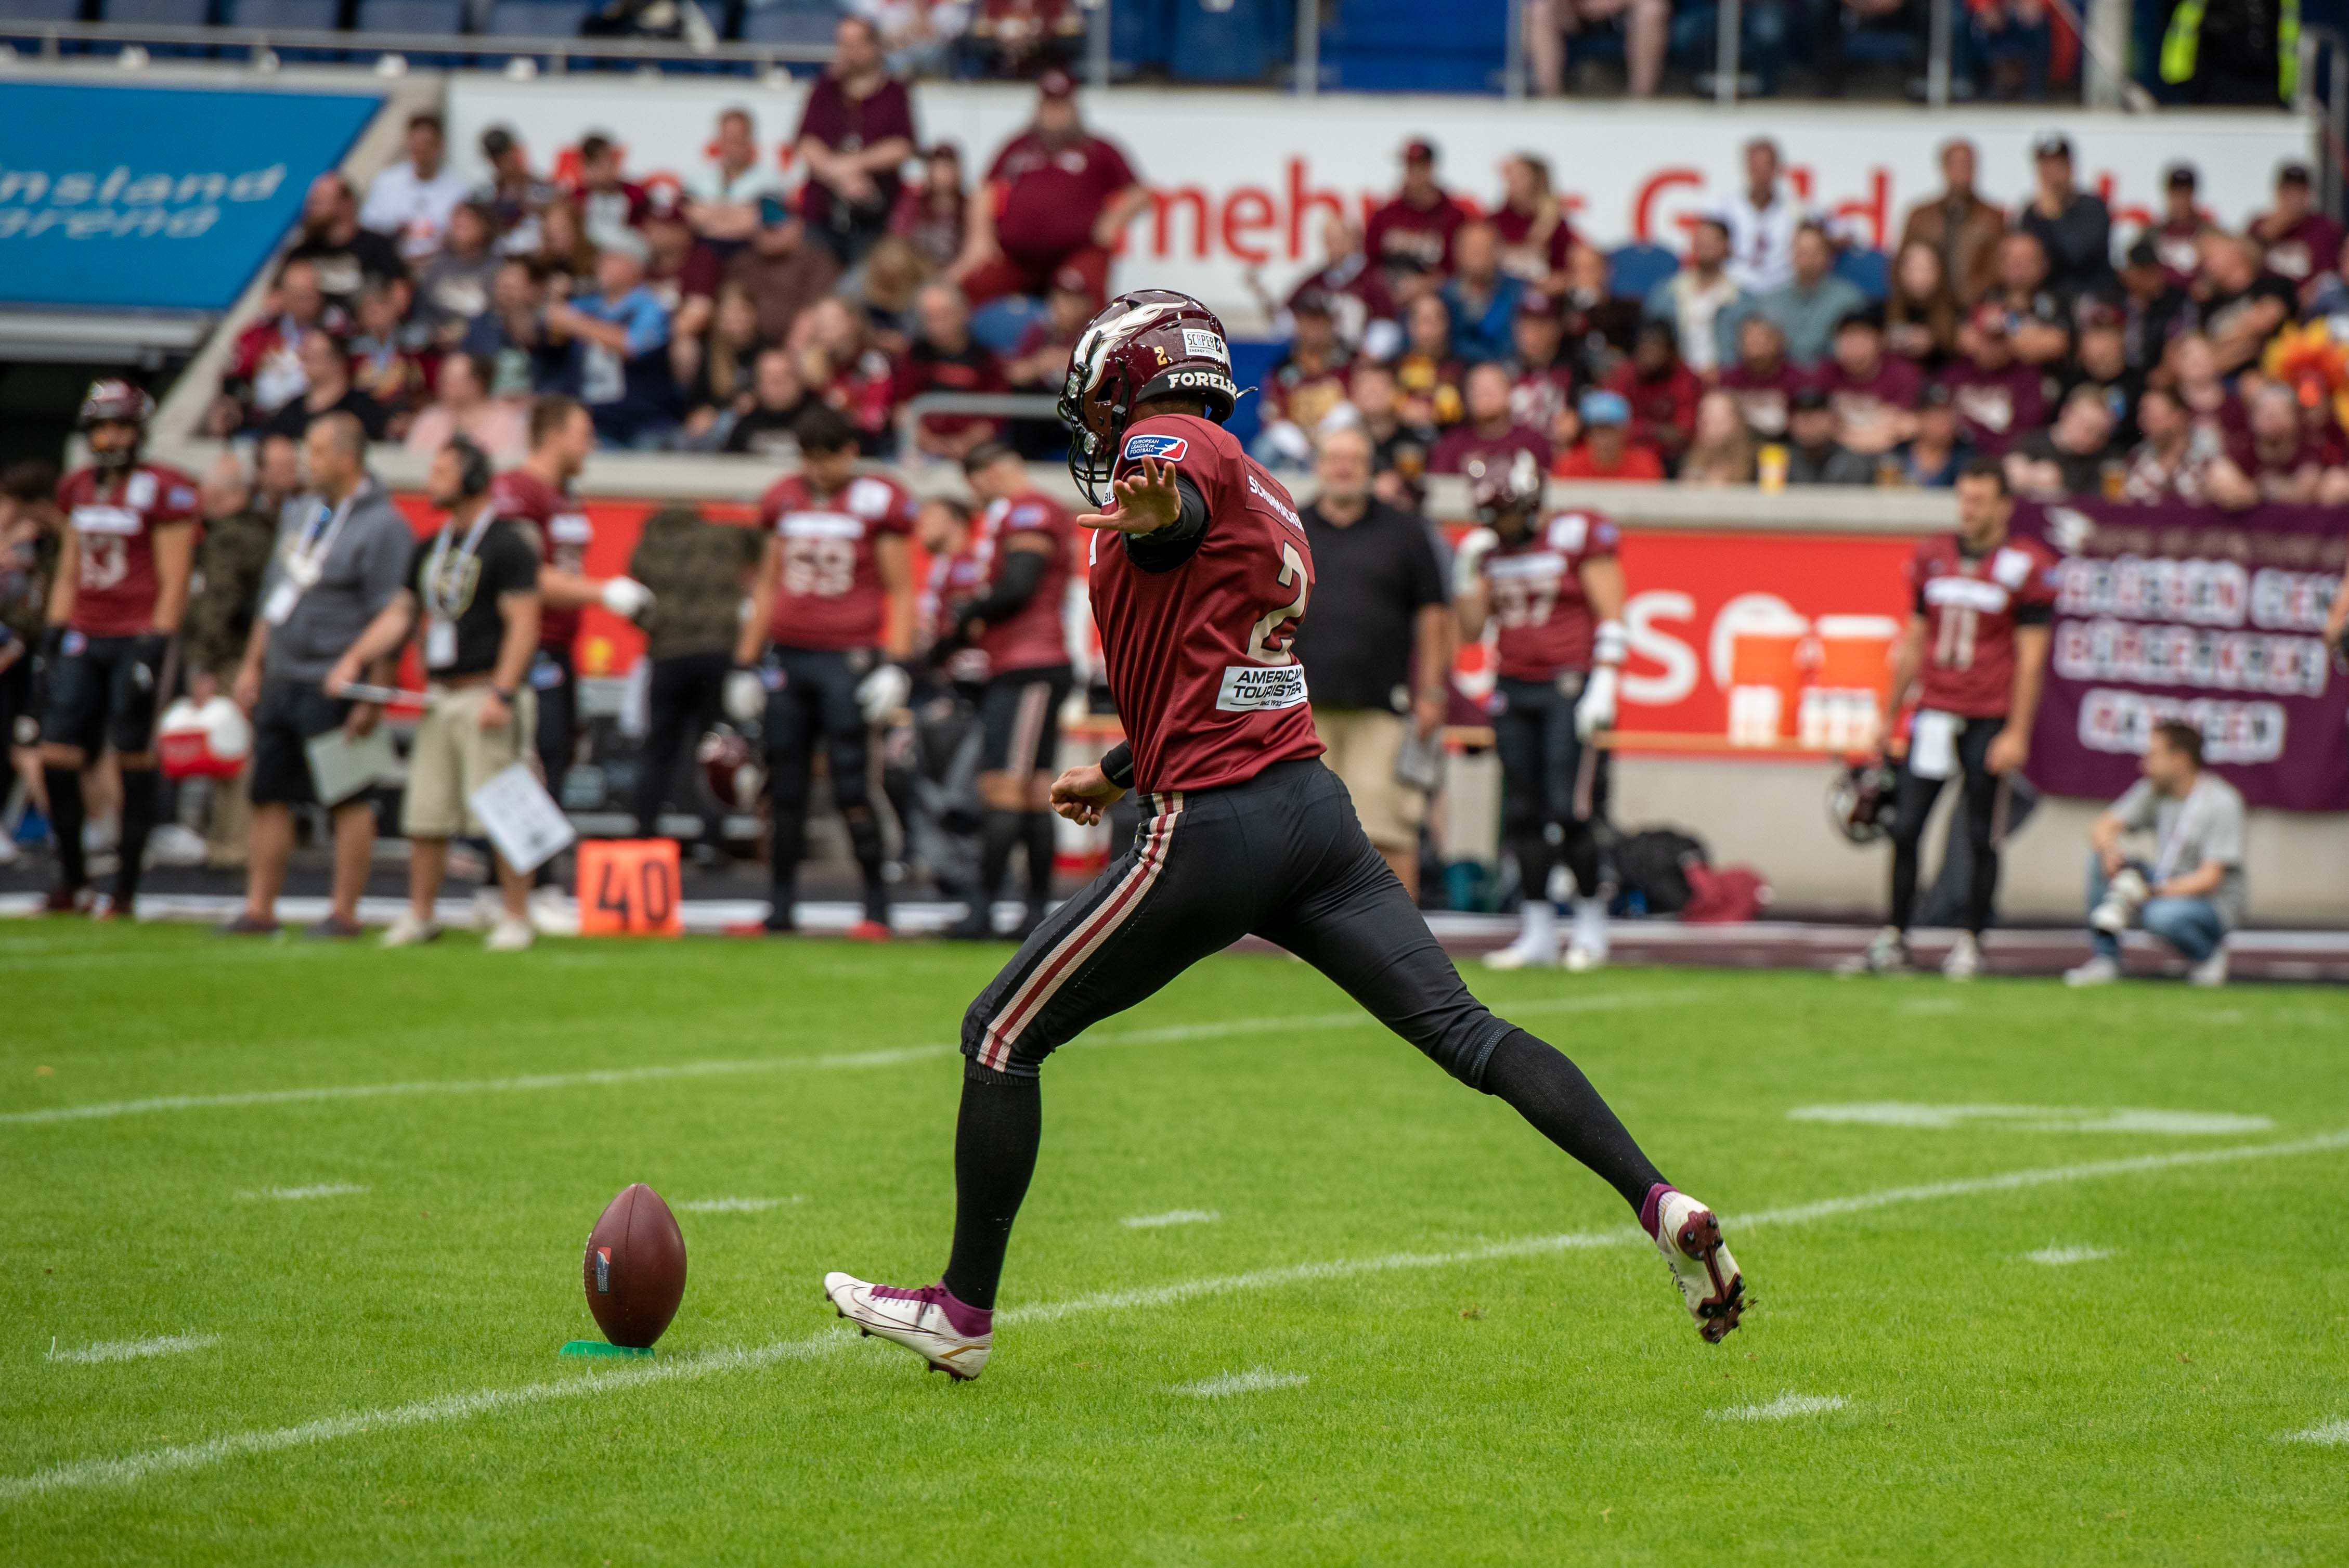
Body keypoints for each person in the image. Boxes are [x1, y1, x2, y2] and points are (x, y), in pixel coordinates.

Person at [821, 288, 1745, 1380]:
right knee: (1467, 1031)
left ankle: (960, 1315)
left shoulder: (1173, 451)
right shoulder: (1271, 490)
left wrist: (1152, 499)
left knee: (998, 1033)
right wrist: (1116, 769)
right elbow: (1223, 664)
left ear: (1130, 382)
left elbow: (1169, 496)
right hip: (1310, 817)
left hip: (1214, 831)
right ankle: (1657, 1198)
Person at [326, 439, 543, 953]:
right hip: (440, 695)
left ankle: (516, 914)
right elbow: (402, 613)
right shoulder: (431, 547)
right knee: (426, 813)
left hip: (486, 689)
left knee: (503, 809)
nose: (432, 478)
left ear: (472, 478)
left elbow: (523, 625)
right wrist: (354, 658)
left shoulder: (508, 543)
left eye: (444, 470)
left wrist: (505, 693)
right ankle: (421, 913)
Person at [1857, 460, 2055, 981]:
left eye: (1979, 500)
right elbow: (1914, 638)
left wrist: (2016, 731)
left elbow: (2031, 659)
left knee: (1977, 834)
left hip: (1986, 716)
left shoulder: (2023, 565)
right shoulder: (1933, 557)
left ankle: (1970, 939)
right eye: (1963, 498)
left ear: (2003, 506)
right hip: (1935, 711)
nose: (1968, 510)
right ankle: (1895, 935)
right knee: (1904, 828)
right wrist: (1889, 711)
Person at [228, 412, 413, 937]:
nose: (305, 462)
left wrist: (372, 695)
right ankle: (259, 907)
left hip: (336, 678)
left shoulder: (385, 526)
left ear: (346, 458)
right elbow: (274, 596)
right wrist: (252, 664)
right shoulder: (301, 511)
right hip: (284, 675)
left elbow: (392, 614)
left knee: (348, 798)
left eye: (314, 451)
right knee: (268, 793)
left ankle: (344, 911)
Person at [736, 406, 917, 937]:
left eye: (826, 458)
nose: (816, 471)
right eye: (808, 459)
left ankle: (877, 908)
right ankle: (780, 907)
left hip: (849, 657)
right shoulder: (783, 497)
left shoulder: (876, 499)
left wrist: (897, 664)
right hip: (790, 656)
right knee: (783, 785)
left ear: (849, 452)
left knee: (851, 783)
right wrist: (744, 662)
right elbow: (767, 585)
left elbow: (900, 588)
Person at [1450, 448, 1625, 971]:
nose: (1497, 524)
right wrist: (1465, 572)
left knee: (1569, 810)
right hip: (1513, 687)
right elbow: (1469, 630)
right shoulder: (1488, 552)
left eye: (1504, 512)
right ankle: (1537, 931)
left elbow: (1613, 614)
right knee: (1522, 814)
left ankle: (1592, 925)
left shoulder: (1575, 534)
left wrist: (1604, 684)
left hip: (1568, 686)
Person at [33, 383, 197, 918]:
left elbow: (174, 577)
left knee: (132, 751)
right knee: (56, 750)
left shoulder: (164, 489)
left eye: (122, 426)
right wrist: (54, 632)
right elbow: (70, 566)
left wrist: (156, 642)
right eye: (104, 426)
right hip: (86, 628)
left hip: (137, 631)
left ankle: (124, 888)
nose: (112, 437)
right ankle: (73, 878)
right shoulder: (78, 487)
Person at [490, 396, 650, 865]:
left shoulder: (566, 493)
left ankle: (524, 880)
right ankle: (521, 882)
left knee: (556, 754)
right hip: (527, 644)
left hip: (559, 644)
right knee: (534, 759)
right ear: (554, 434)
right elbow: (522, 574)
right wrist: (603, 593)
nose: (591, 444)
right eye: (583, 434)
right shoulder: (519, 489)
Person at [1292, 426, 1450, 898]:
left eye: (1354, 460)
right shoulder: (1287, 526)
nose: (1343, 468)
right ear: (1318, 465)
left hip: (1384, 706)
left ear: (1370, 469)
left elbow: (1434, 617)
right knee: (1305, 833)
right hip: (1299, 710)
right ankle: (1313, 949)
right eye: (1334, 458)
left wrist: (1433, 692)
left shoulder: (1406, 532)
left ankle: (1400, 946)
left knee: (1388, 828)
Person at [939, 440, 1077, 941]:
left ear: (992, 472)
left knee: (1006, 788)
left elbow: (1019, 583)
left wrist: (969, 617)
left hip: (1029, 664)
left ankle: (986, 907)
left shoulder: (1030, 511)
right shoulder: (1025, 513)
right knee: (1032, 790)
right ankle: (1031, 912)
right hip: (1026, 664)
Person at [2066, 721, 2244, 987]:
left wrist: (2148, 892)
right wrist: (2109, 852)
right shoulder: (2155, 791)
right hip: (2163, 884)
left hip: (2211, 904)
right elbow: (2101, 827)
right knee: (2099, 862)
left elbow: (2210, 879)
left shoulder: (2222, 802)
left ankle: (2207, 954)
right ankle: (2106, 959)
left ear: (2180, 759)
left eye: (2153, 756)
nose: (2143, 764)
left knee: (2160, 916)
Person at [628, 506, 761, 856]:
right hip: (719, 653)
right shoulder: (725, 535)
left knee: (658, 750)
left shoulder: (652, 544)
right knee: (716, 748)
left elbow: (634, 599)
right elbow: (768, 548)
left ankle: (644, 836)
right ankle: (711, 838)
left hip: (668, 655)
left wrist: (654, 627)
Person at [953, 71, 1143, 308]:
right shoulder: (1018, 146)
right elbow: (985, 190)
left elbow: (1140, 194)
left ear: (1074, 108)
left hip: (1076, 251)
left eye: (1061, 106)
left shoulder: (1098, 150)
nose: (1055, 114)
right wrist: (980, 237)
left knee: (1078, 297)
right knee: (975, 285)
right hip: (1016, 256)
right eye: (1049, 105)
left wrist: (1114, 220)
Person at [181, 451, 279, 870]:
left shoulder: (228, 537)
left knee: (232, 752)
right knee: (237, 748)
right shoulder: (263, 530)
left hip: (233, 657)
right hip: (253, 654)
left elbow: (218, 602)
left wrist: (203, 661)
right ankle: (230, 840)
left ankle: (232, 844)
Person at [796, 19, 919, 268]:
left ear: (874, 46)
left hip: (876, 218)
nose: (848, 51)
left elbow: (902, 146)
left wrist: (854, 166)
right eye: (843, 43)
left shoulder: (895, 92)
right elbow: (807, 142)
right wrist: (839, 175)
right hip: (822, 216)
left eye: (855, 43)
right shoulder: (824, 90)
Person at [549, 231, 678, 450]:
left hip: (643, 424)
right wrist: (555, 299)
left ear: (635, 266)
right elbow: (549, 325)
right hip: (594, 421)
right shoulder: (588, 306)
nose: (600, 263)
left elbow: (633, 345)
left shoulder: (651, 306)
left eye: (611, 258)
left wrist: (577, 324)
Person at [901, 282, 1007, 463]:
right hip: (922, 451)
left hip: (976, 452)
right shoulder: (913, 357)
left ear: (963, 313)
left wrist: (963, 444)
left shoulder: (987, 360)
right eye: (928, 317)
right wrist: (930, 443)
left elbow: (995, 415)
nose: (935, 325)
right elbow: (902, 409)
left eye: (943, 315)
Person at [1896, 139, 2003, 308]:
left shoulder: (1992, 218)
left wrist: (1970, 299)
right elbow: (1901, 265)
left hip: (1974, 308)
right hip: (1926, 309)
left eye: (1967, 164)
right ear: (1944, 167)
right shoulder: (1920, 216)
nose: (1962, 170)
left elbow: (1997, 266)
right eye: (1955, 164)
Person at [360, 111, 474, 266]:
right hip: (391, 263)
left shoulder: (460, 189)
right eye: (416, 143)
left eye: (427, 144)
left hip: (440, 266)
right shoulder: (386, 181)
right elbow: (370, 226)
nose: (421, 150)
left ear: (440, 144)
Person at [285, 173, 407, 316]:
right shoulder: (301, 254)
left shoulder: (376, 244)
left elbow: (401, 291)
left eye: (320, 202)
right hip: (317, 333)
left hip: (369, 332)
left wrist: (382, 319)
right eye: (312, 202)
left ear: (346, 204)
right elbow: (276, 302)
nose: (311, 209)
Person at [1754, 223, 1868, 371]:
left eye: (1815, 252)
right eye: (1802, 252)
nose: (1808, 260)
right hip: (1783, 384)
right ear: (1791, 255)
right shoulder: (1770, 302)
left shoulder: (1851, 300)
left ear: (1828, 256)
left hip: (1836, 382)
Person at [1936, 306, 2046, 459]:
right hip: (1956, 460)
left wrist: (1972, 430)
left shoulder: (2027, 377)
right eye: (1987, 339)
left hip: (2004, 461)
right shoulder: (1955, 374)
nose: (1993, 347)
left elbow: (2027, 435)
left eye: (2000, 340)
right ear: (1974, 337)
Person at [686, 107, 791, 262]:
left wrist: (711, 214)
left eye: (738, 139)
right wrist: (738, 212)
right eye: (728, 138)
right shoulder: (699, 176)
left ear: (749, 139)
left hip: (749, 254)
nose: (732, 145)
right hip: (704, 252)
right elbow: (691, 218)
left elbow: (754, 223)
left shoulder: (769, 179)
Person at [1643, 217, 1744, 377]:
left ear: (1727, 246)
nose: (1706, 245)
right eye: (1700, 239)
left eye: (1713, 240)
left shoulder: (1742, 299)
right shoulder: (1666, 293)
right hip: (1676, 379)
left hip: (1726, 380)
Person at [2017, 134, 2113, 299]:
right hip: (2047, 301)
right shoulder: (2031, 214)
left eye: (2057, 166)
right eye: (2046, 167)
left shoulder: (2092, 207)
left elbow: (2078, 256)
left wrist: (2055, 217)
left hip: (2090, 299)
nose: (2052, 175)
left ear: (2070, 168)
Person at [1818, 307, 1922, 458]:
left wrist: (1844, 432)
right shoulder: (1826, 373)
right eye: (1846, 337)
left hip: (1892, 454)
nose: (1853, 344)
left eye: (1861, 337)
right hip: (1837, 455)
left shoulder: (1902, 373)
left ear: (1880, 341)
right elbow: (1818, 427)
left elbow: (1907, 426)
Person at [1715, 138, 1810, 296]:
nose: (1761, 172)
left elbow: (1841, 229)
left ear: (1777, 169)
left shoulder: (1795, 210)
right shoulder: (1725, 208)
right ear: (1747, 168)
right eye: (1755, 166)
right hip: (1735, 288)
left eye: (1766, 166)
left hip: (1782, 289)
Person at [1602, 319, 1701, 470]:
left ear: (1671, 350)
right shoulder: (1624, 375)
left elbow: (1682, 434)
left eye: (1656, 345)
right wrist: (1656, 431)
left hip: (1672, 460)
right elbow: (1610, 427)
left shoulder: (1685, 379)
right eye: (1644, 345)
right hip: (1627, 456)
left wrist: (1637, 430)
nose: (1649, 352)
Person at [1365, 139, 1465, 279]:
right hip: (1389, 292)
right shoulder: (1385, 216)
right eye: (1409, 166)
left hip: (1437, 295)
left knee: (1427, 303)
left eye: (1420, 166)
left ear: (1432, 167)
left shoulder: (1453, 217)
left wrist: (1427, 285)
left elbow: (1459, 270)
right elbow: (1371, 264)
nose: (1414, 173)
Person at [404, 352, 529, 464]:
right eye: (443, 380)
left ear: (477, 383)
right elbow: (411, 463)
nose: (443, 387)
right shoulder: (430, 419)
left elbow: (515, 467)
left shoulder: (508, 421)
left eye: (452, 381)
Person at [1430, 361, 1550, 476]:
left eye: (1493, 389)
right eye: (1478, 390)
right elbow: (1440, 486)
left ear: (1509, 393)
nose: (1486, 396)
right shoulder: (1452, 444)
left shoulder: (1533, 442)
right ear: (1467, 398)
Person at [265, 333, 389, 444]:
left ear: (338, 361)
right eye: (305, 354)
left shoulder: (363, 408)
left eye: (315, 355)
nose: (306, 359)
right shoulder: (291, 412)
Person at [1525, 0, 1667, 96]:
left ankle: (1641, 101)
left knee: (1652, 10)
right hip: (1576, 12)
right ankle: (1550, 100)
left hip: (1626, 13)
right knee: (1540, 11)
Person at [2006, 384, 2117, 498]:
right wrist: (2028, 478)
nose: (2092, 438)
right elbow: (2011, 475)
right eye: (2086, 427)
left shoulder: (2108, 458)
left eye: (2100, 433)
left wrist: (2057, 492)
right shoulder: (2030, 443)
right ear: (2065, 413)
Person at [1441, 221, 1526, 366]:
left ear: (1499, 252)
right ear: (1457, 253)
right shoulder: (1442, 298)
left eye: (1485, 249)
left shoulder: (1521, 294)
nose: (1478, 257)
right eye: (1472, 249)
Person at [2250, 163, 2343, 291]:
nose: (2294, 198)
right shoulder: (2259, 226)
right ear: (2278, 192)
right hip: (2267, 301)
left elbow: (2329, 277)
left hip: (2312, 304)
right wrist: (2267, 235)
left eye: (2300, 190)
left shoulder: (2326, 228)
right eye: (2288, 190)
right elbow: (2245, 270)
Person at [1555, 388, 1665, 481]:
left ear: (1624, 432)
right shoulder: (1569, 467)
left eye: (1610, 429)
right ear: (1587, 434)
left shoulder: (1646, 466)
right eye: (1598, 430)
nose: (1605, 438)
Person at [1780, 385, 1874, 484]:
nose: (1809, 423)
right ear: (1789, 422)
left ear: (1834, 420)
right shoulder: (1775, 462)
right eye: (1802, 416)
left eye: (1817, 416)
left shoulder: (1854, 464)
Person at [1891, 382, 1970, 488]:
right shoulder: (1898, 453)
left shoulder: (1966, 458)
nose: (1944, 422)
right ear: (1920, 417)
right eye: (1936, 415)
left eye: (1948, 414)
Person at [1680, 390, 1757, 484]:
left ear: (1737, 421)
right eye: (1704, 416)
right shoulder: (1686, 459)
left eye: (1719, 418)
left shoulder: (1758, 465)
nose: (1708, 424)